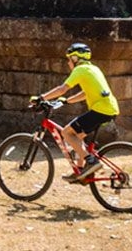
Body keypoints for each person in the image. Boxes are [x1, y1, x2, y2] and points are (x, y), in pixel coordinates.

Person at [31, 42, 120, 182]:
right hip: (110, 109)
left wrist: (41, 98)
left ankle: (91, 161)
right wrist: (67, 101)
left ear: (75, 58)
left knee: (66, 133)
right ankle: (81, 171)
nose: (68, 63)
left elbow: (62, 89)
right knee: (77, 137)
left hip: (100, 110)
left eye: (69, 59)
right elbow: (85, 93)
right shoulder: (93, 69)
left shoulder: (80, 70)